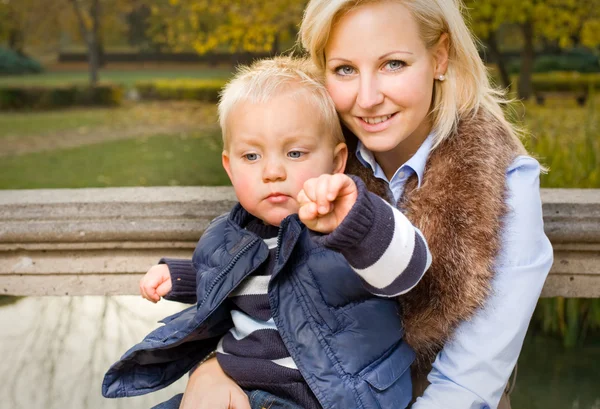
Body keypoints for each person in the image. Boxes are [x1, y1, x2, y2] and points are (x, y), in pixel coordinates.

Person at [147, 0, 554, 408]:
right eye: (345, 69)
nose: (368, 97)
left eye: (393, 64)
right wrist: (214, 370)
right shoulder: (306, 148)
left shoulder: (501, 180)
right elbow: (260, 283)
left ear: (439, 57)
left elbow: (467, 386)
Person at [102, 56, 433, 409]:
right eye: (251, 157)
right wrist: (177, 277)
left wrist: (359, 223)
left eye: (294, 152)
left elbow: (409, 270)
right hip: (239, 386)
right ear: (229, 167)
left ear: (336, 161)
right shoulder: (227, 234)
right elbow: (214, 276)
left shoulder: (348, 224)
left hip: (324, 394)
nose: (272, 171)